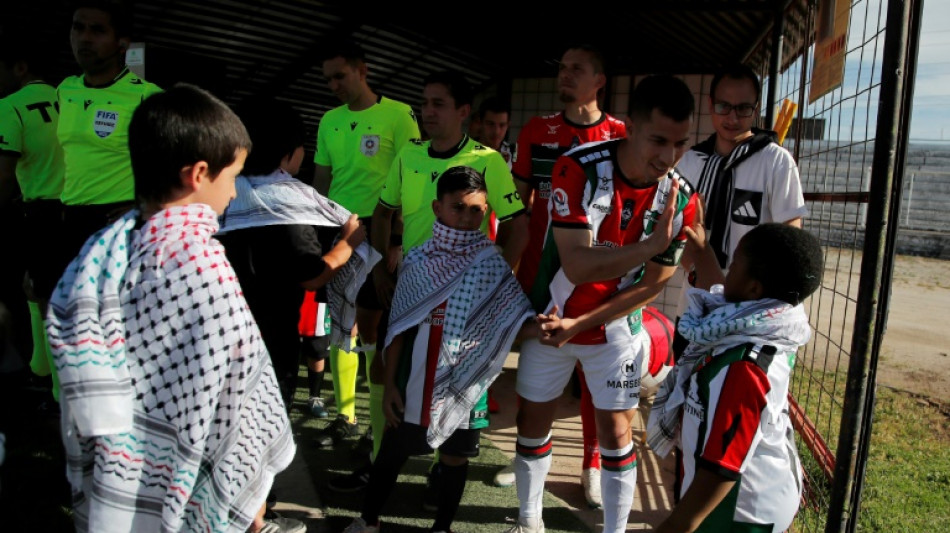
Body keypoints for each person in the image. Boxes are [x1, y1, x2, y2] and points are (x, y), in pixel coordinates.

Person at [45, 83, 297, 533]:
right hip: (186, 469)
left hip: (122, 460)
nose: (233, 192)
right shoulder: (198, 262)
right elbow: (240, 393)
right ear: (198, 174)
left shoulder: (112, 246)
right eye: (232, 176)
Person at [506, 74, 700, 533]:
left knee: (616, 432)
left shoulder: (682, 198)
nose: (668, 157)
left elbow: (652, 285)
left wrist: (583, 324)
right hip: (551, 318)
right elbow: (576, 265)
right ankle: (529, 521)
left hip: (613, 327)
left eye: (680, 144)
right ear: (629, 127)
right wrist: (650, 245)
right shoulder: (578, 167)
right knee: (532, 421)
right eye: (658, 140)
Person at [326, 70, 528, 494]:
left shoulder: (487, 160)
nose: (428, 111)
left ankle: (441, 467)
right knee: (385, 369)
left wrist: (496, 283)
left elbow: (517, 227)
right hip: (410, 289)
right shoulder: (409, 154)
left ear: (463, 111)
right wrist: (381, 268)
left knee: (451, 378)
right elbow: (384, 212)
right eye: (425, 102)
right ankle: (379, 459)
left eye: (438, 104)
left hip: (461, 297)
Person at [342, 166, 552, 533]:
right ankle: (368, 520)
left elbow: (510, 319)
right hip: (415, 378)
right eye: (458, 207)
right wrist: (390, 386)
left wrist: (544, 328)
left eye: (476, 210)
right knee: (392, 452)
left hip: (466, 381)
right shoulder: (418, 259)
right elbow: (399, 330)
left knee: (455, 458)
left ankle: (442, 528)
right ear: (437, 208)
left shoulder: (491, 262)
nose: (467, 217)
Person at [498, 43, 628, 508]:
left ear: (599, 81)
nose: (565, 75)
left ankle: (591, 463)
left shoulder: (621, 134)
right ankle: (529, 452)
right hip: (541, 277)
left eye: (577, 69)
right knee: (536, 372)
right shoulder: (538, 130)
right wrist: (506, 267)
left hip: (597, 279)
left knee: (595, 379)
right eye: (562, 68)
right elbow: (518, 206)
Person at [648, 222, 823, 533]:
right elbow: (725, 290)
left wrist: (679, 524)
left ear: (754, 289)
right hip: (737, 496)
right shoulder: (768, 322)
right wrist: (703, 252)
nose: (727, 273)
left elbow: (721, 467)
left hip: (736, 509)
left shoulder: (744, 367)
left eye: (735, 264)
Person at [311, 39, 422, 455]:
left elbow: (412, 175)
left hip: (382, 232)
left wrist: (396, 240)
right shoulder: (329, 120)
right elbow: (322, 182)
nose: (333, 85)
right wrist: (318, 235)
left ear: (363, 71)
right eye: (328, 79)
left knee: (379, 328)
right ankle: (346, 416)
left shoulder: (398, 115)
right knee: (342, 326)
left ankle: (381, 421)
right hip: (341, 233)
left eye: (340, 76)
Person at [674, 63, 807, 353]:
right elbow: (675, 233)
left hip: (750, 318)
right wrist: (702, 274)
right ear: (710, 105)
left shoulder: (775, 161)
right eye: (724, 107)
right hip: (694, 308)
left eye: (743, 108)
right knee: (686, 381)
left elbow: (789, 242)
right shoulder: (690, 162)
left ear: (755, 109)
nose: (732, 118)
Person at [55, 0, 163, 282]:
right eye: (78, 28)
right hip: (69, 219)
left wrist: (143, 207)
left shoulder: (147, 96)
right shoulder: (66, 89)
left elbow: (180, 162)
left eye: (97, 30)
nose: (84, 38)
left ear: (122, 43)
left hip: (117, 222)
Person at [0, 32, 66, 403]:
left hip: (41, 211)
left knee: (46, 298)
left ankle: (58, 392)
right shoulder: (68, 99)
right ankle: (41, 370)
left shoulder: (10, 106)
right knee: (35, 287)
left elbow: (4, 175)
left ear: (20, 68)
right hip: (78, 207)